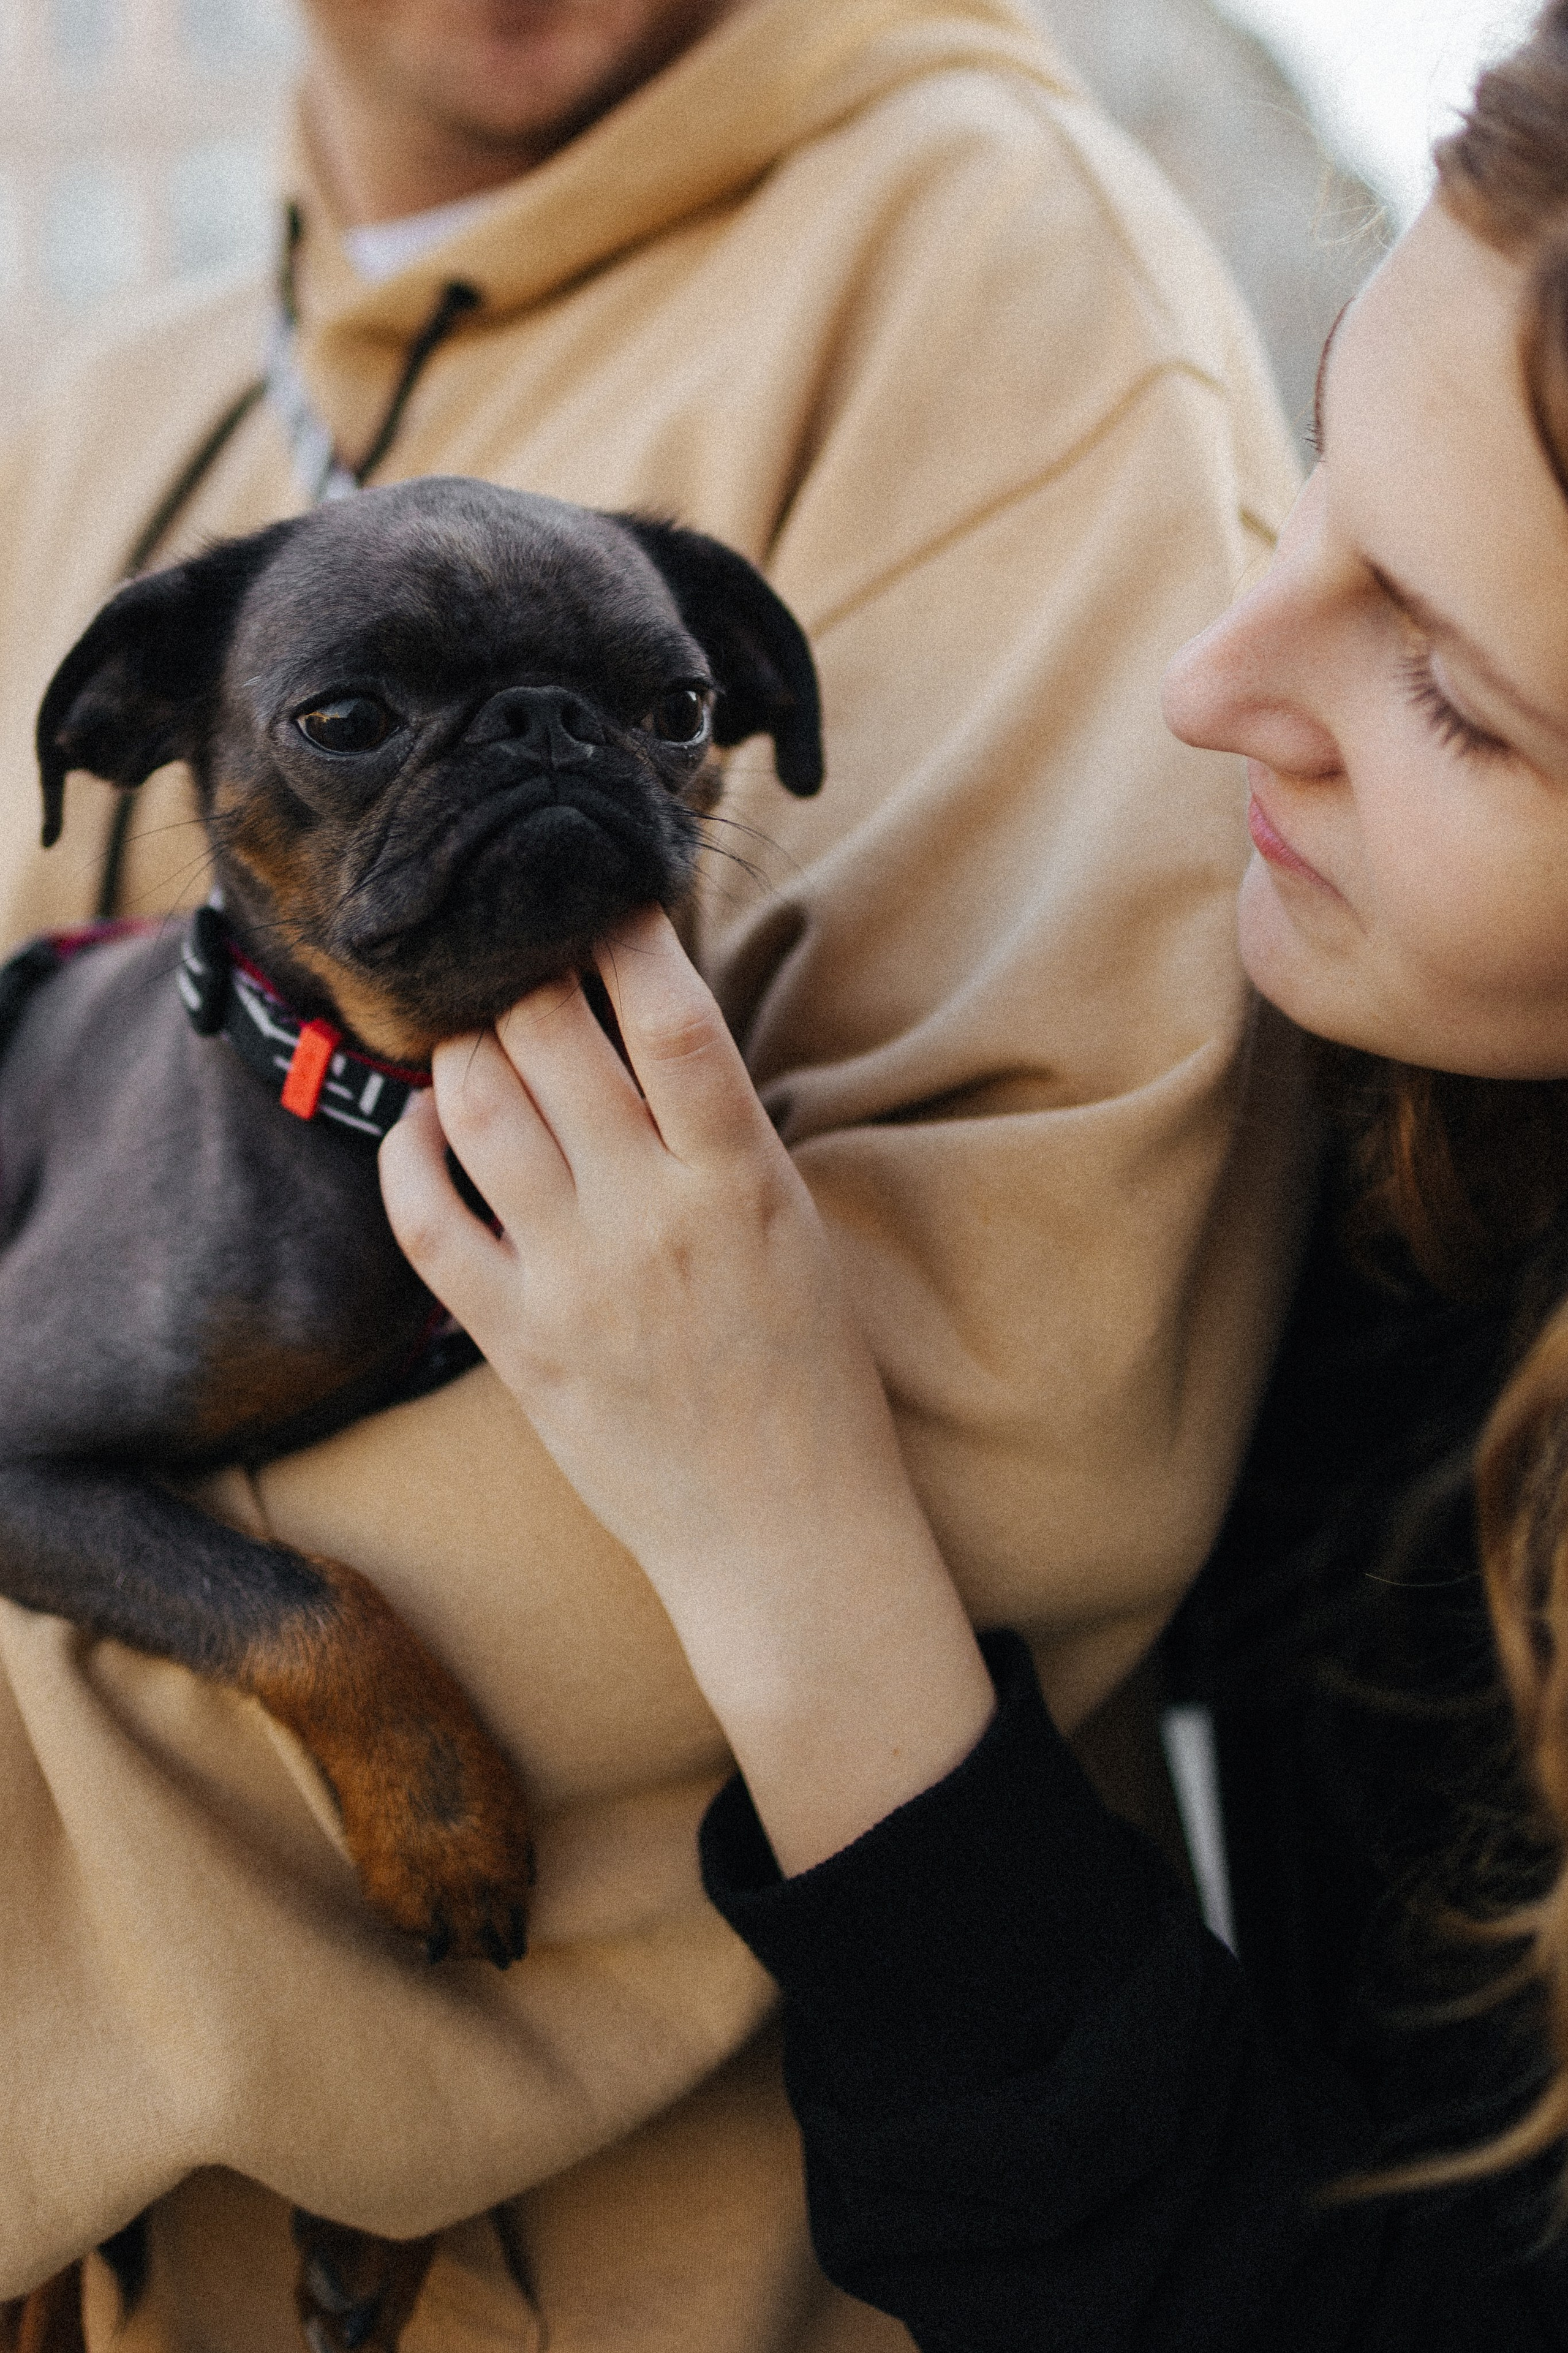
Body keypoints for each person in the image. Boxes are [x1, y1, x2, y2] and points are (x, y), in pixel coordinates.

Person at [0, 0, 1306, 2345]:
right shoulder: (91, 402)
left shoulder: (994, 249)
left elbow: (1034, 1374)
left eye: (648, 710)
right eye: (360, 720)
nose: (530, 765)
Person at [375, 5, 1568, 2344]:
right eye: (1327, 455)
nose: (1213, 677)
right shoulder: (1408, 1111)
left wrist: (785, 1520)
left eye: (1451, 692)